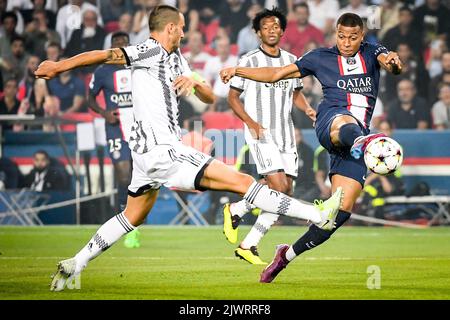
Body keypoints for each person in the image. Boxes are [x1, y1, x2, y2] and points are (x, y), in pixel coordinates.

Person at [35, 5, 343, 291]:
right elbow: (104, 55)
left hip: (147, 155)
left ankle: (77, 261)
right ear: (169, 28)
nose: (184, 33)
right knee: (243, 183)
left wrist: (193, 82)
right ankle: (317, 214)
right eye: (181, 28)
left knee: (133, 215)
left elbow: (209, 98)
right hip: (163, 149)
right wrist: (58, 66)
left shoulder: (176, 57)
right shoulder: (150, 49)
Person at [220, 12, 403, 283]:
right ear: (335, 34)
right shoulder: (319, 57)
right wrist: (238, 70)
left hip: (356, 140)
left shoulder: (372, 50)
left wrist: (394, 63)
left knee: (336, 215)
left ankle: (286, 255)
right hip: (331, 123)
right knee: (345, 121)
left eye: (353, 37)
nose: (346, 42)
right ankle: (364, 143)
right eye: (341, 36)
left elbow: (391, 63)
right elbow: (276, 74)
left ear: (361, 36)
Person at [222, 7, 317, 265]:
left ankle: (247, 240)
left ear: (282, 31)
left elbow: (296, 91)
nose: (272, 30)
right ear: (258, 32)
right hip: (260, 131)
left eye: (276, 26)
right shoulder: (248, 61)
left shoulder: (291, 60)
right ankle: (237, 213)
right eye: (266, 27)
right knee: (278, 187)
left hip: (285, 134)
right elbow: (232, 97)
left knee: (284, 193)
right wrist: (251, 123)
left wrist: (307, 107)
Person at [88, 31, 139, 249]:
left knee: (137, 176)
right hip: (115, 128)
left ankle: (134, 224)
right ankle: (125, 221)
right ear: (111, 47)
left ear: (128, 45)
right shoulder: (102, 71)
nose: (120, 47)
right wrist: (103, 112)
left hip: (139, 128)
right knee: (122, 174)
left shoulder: (138, 66)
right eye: (116, 44)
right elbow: (90, 98)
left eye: (124, 43)